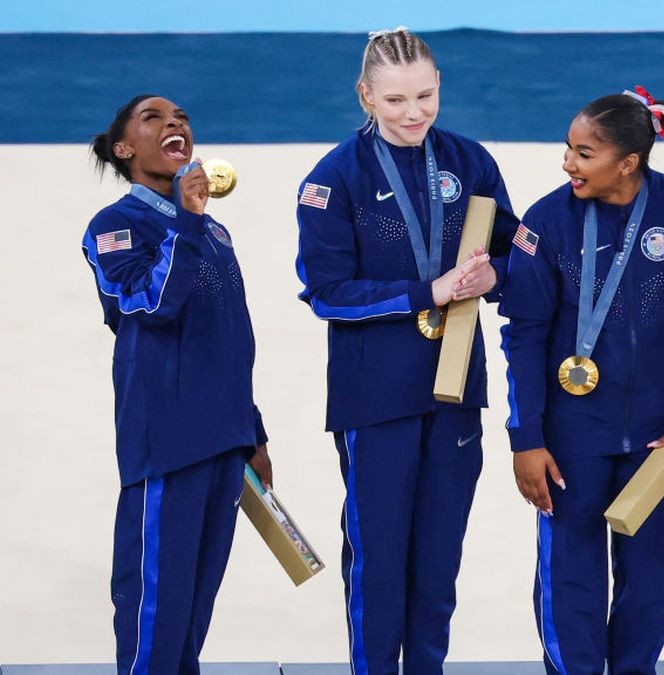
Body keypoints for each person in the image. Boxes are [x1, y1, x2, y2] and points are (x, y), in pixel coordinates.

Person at [294, 27, 519, 674]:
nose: (413, 112)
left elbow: (511, 249)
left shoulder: (471, 162)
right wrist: (431, 288)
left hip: (455, 388)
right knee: (378, 559)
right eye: (394, 100)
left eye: (425, 95)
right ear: (365, 95)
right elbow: (328, 291)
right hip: (376, 397)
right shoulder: (333, 179)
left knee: (438, 562)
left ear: (440, 87)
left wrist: (494, 278)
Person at [500, 87, 664, 674]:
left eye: (584, 153)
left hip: (662, 436)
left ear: (627, 162)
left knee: (649, 584)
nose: (568, 164)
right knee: (569, 582)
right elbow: (523, 334)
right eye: (568, 150)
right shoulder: (546, 221)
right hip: (570, 439)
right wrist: (525, 436)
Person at [82, 94, 273, 674]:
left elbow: (229, 342)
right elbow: (152, 304)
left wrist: (253, 433)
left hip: (224, 441)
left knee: (192, 612)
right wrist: (188, 223)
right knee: (155, 611)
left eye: (183, 117)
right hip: (165, 443)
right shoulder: (115, 227)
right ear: (124, 148)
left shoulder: (213, 233)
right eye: (154, 118)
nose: (176, 124)